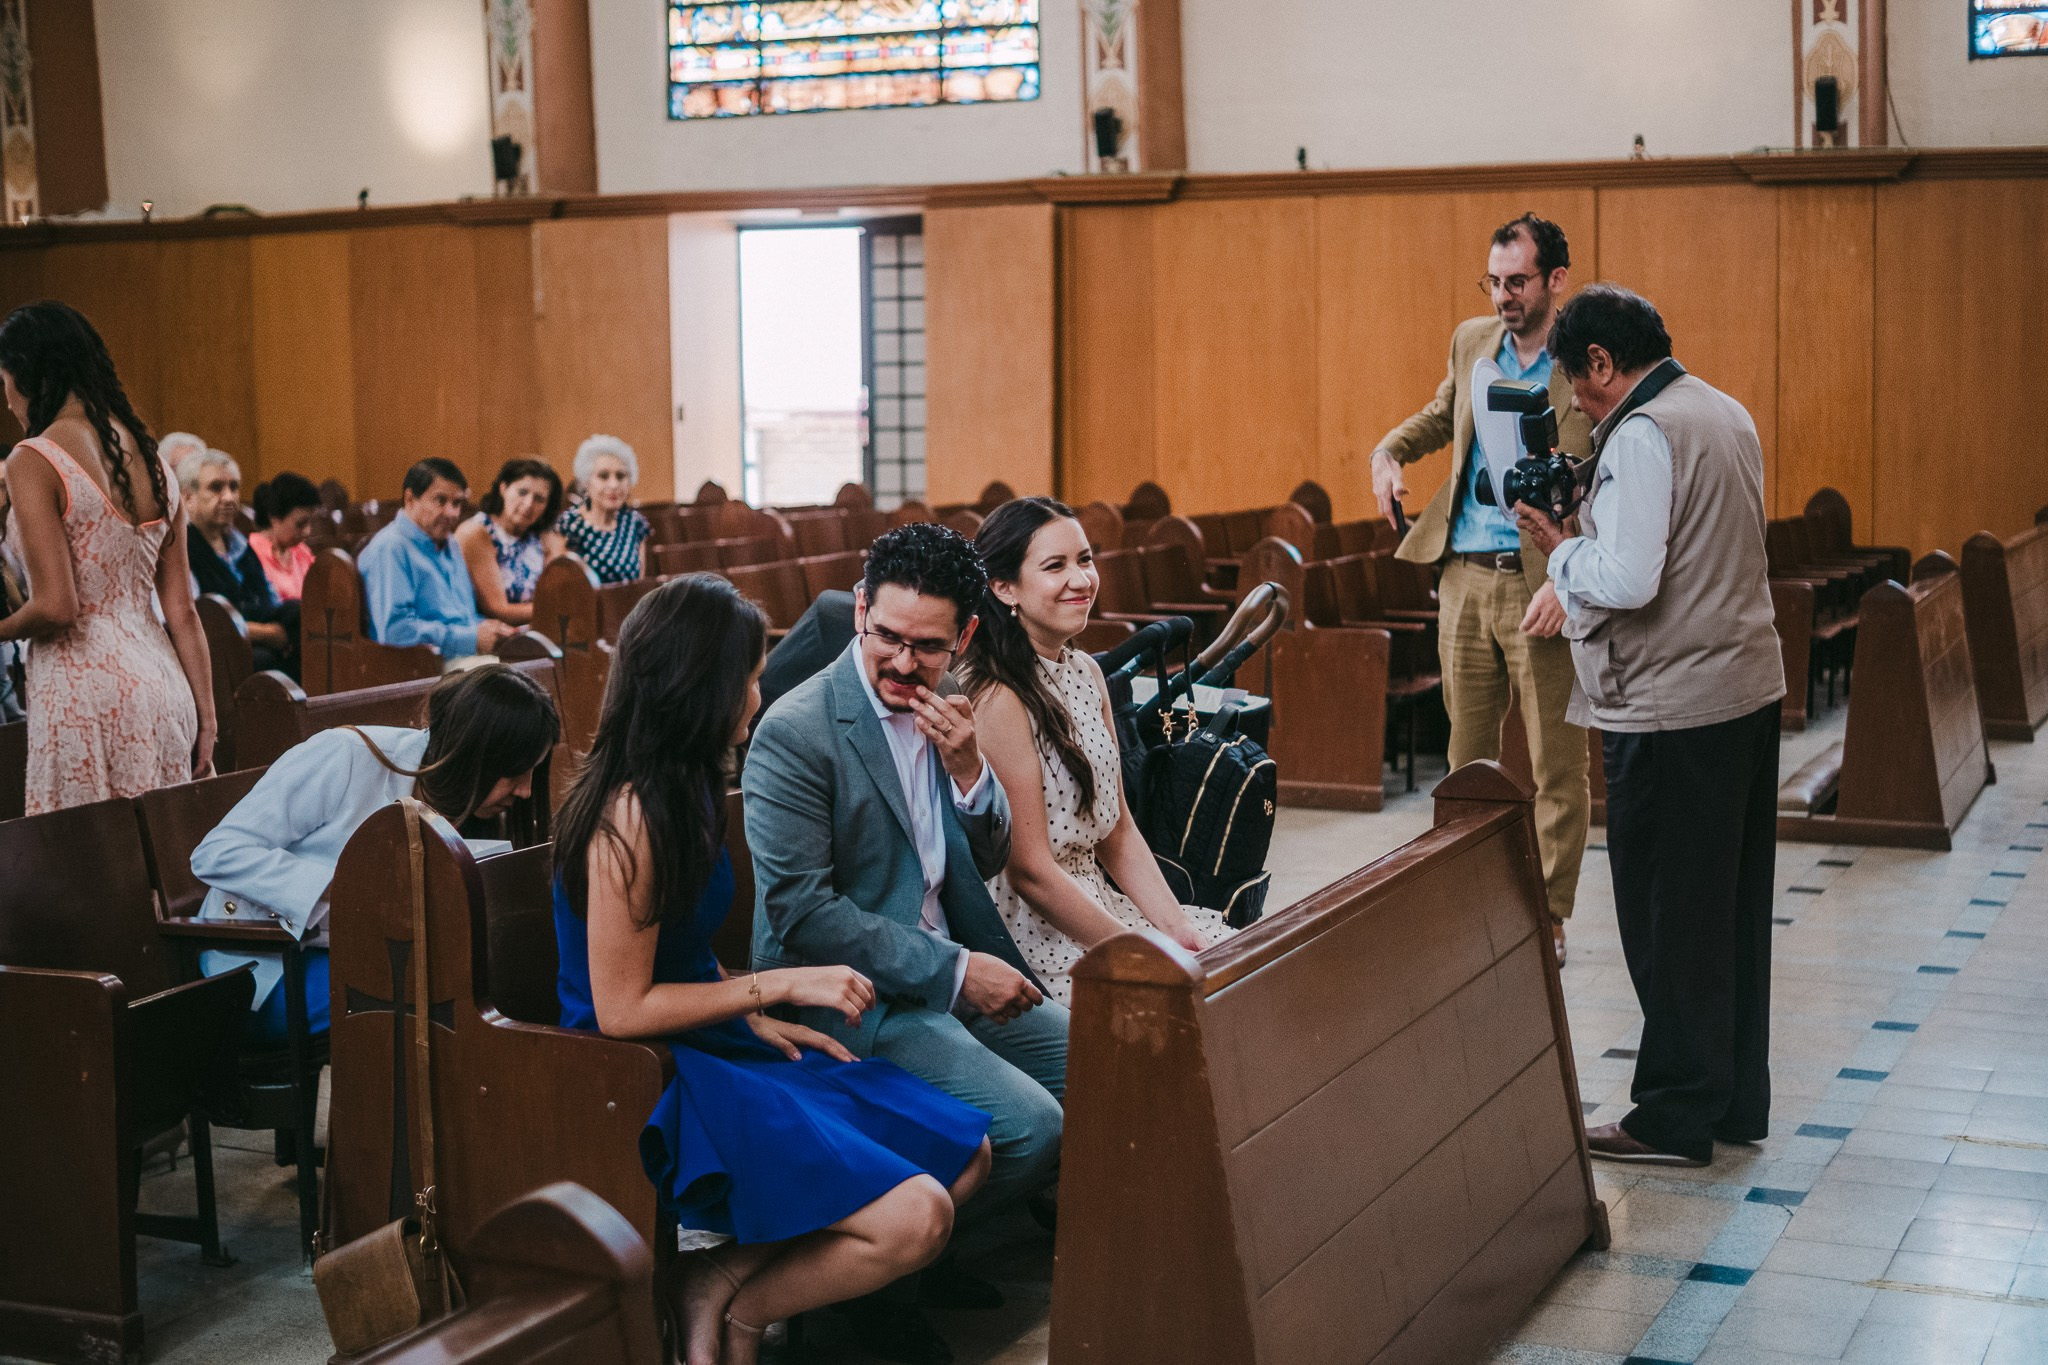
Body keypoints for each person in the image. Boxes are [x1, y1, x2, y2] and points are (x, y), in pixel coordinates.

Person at [554, 574, 991, 1365]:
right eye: (748, 677)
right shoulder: (629, 813)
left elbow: (680, 951)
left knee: (965, 1151)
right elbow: (618, 1007)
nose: (758, 694)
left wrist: (754, 1014)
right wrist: (781, 983)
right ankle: (736, 1305)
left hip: (718, 1038)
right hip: (655, 1070)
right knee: (918, 1213)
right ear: (700, 687)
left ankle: (725, 1290)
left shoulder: (684, 785)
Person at [743, 522, 1063, 1364]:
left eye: (926, 646)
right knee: (1029, 1123)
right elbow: (805, 913)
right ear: (858, 611)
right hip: (851, 994)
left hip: (936, 970)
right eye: (885, 636)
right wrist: (956, 972)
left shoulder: (943, 703)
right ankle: (879, 1287)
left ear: (960, 636)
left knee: (1096, 1062)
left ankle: (936, 1243)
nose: (901, 662)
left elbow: (980, 858)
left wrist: (969, 775)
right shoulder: (799, 728)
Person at [1513, 284, 1784, 1168]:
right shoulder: (1723, 407)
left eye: (1580, 387)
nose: (1581, 409)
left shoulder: (1642, 429)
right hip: (1744, 689)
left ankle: (1670, 1112)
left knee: (1668, 916)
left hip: (1672, 708)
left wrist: (1560, 547)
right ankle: (1729, 1095)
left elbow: (1629, 577)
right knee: (1728, 909)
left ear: (1602, 362)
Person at [1370, 212, 1592, 965]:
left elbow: (1609, 472)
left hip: (1543, 581)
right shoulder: (1472, 341)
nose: (1503, 295)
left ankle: (1550, 911)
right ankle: (1460, 892)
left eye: (1518, 281)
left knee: (1558, 762)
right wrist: (1391, 449)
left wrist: (1574, 575)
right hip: (1464, 574)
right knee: (1466, 756)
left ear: (1555, 280)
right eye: (1493, 281)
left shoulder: (1582, 358)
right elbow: (1444, 416)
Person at [190, 664, 559, 1048]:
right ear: (472, 757)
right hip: (268, 966)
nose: (527, 792)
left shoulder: (463, 801)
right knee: (443, 1007)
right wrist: (346, 887)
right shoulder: (346, 755)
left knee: (511, 981)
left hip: (373, 958)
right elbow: (218, 852)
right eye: (516, 773)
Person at [958, 497, 1231, 1006]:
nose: (1082, 580)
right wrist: (1136, 948)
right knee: (1179, 1004)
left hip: (1097, 900)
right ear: (1003, 587)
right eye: (1055, 566)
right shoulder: (997, 697)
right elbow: (1030, 872)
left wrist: (1176, 929)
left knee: (1230, 965)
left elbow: (1118, 831)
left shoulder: (1086, 673)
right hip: (1035, 930)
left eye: (1085, 560)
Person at [0, 300, 214, 812]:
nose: (7, 403)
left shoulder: (34, 459)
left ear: (29, 374)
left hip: (84, 688)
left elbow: (57, 606)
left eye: (4, 383)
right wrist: (206, 718)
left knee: (88, 878)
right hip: (165, 685)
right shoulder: (156, 462)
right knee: (160, 873)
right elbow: (182, 612)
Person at [357, 457, 519, 663]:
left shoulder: (449, 542)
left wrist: (490, 629)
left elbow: (460, 617)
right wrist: (471, 637)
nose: (452, 513)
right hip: (421, 666)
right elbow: (396, 632)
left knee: (535, 661)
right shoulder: (391, 548)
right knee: (514, 680)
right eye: (440, 501)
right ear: (410, 499)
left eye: (457, 503)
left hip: (461, 658)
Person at [184, 448, 299, 676]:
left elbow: (270, 599)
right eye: (216, 487)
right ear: (188, 498)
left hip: (256, 633)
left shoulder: (241, 544)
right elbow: (199, 621)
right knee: (262, 660)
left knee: (297, 612)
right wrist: (270, 634)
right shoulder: (183, 548)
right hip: (218, 649)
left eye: (234, 487)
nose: (228, 497)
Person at [454, 457, 565, 626]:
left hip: (536, 632)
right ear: (503, 488)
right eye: (522, 492)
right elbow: (498, 609)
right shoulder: (476, 532)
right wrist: (560, 610)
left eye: (539, 499)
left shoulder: (542, 536)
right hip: (488, 635)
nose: (528, 504)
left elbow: (558, 594)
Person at [555, 434, 649, 583]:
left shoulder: (635, 523)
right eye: (603, 476)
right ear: (586, 482)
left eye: (620, 476)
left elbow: (638, 583)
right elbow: (558, 585)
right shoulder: (570, 524)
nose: (614, 485)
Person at [249, 471, 323, 602]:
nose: (307, 532)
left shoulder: (302, 552)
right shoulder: (251, 553)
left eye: (310, 523)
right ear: (275, 518)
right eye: (300, 524)